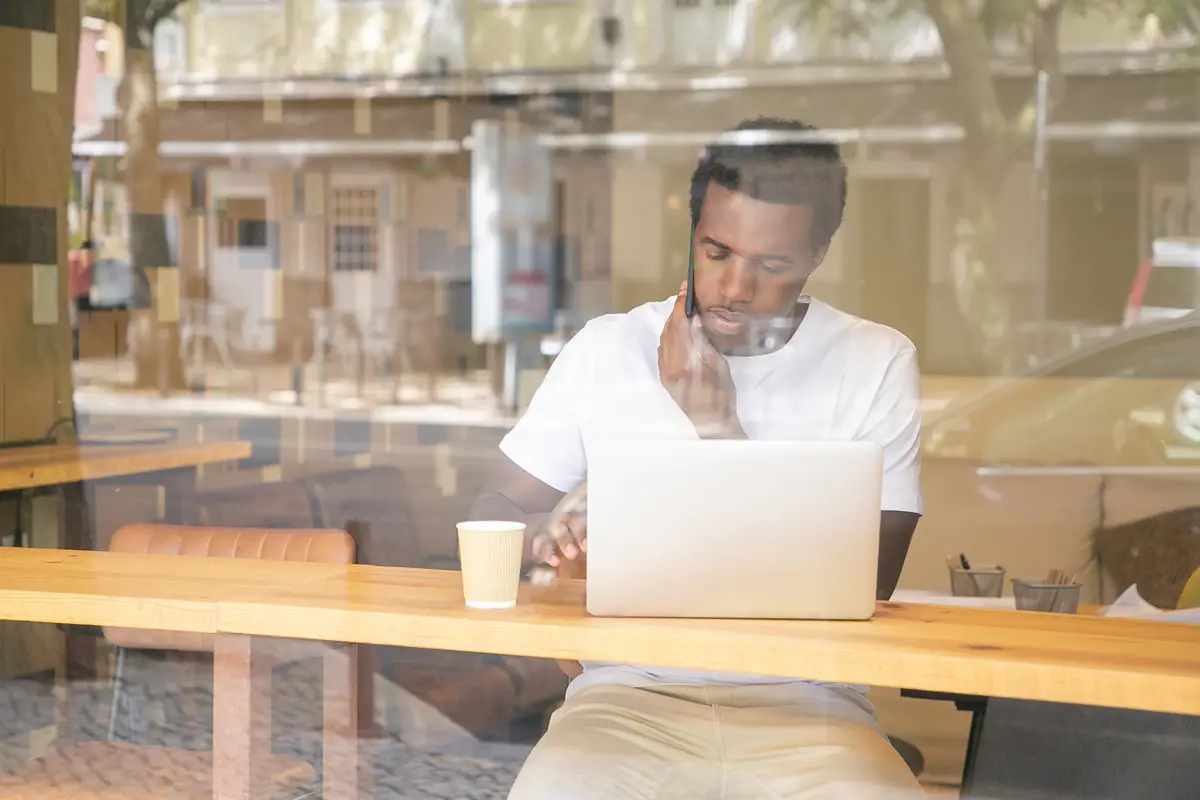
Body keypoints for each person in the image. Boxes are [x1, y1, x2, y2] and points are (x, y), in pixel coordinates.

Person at [469, 117, 924, 798]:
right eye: (715, 251)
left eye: (770, 265)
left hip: (812, 712)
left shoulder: (875, 361)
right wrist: (538, 539)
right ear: (692, 235)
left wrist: (716, 425)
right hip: (623, 704)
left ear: (818, 253)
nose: (735, 288)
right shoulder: (607, 349)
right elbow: (494, 507)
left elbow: (872, 581)